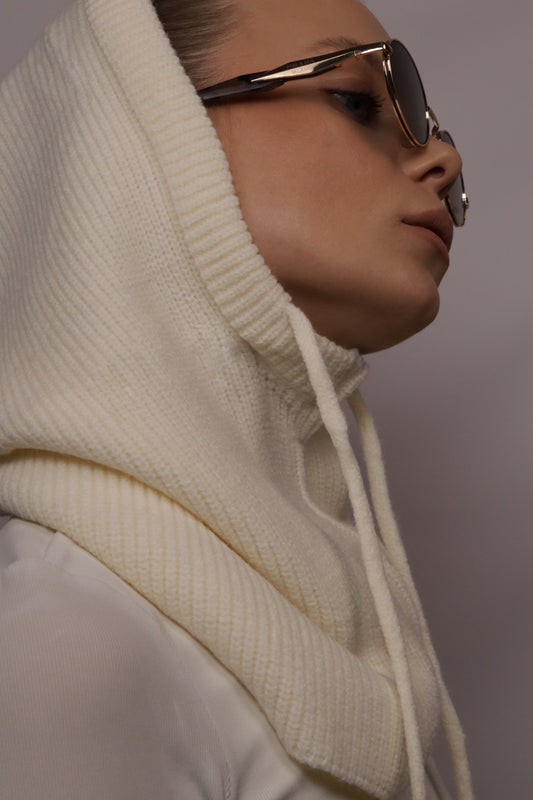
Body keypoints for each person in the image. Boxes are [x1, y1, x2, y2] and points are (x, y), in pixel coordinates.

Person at [0, 0, 472, 798]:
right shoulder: (69, 645)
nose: (445, 161)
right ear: (150, 129)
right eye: (356, 101)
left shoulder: (338, 628)